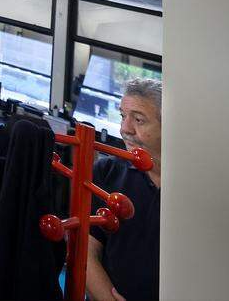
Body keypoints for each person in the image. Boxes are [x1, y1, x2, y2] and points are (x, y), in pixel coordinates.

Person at [86, 77, 162, 301]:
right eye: (122, 116)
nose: (124, 129)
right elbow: (85, 252)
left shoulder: (195, 187)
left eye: (138, 120)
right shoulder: (106, 172)